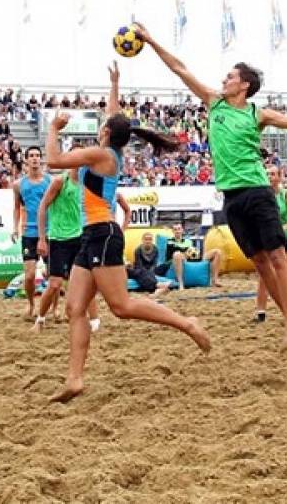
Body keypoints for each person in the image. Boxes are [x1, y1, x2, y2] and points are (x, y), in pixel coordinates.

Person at [142, 23, 287, 354]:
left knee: (279, 258)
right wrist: (151, 40)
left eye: (229, 77)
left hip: (257, 190)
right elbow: (179, 68)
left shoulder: (257, 113)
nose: (223, 80)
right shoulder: (213, 103)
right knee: (259, 262)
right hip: (232, 197)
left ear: (244, 85)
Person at [46, 61, 210, 403]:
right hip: (90, 236)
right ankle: (74, 379)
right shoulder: (111, 148)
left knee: (121, 306)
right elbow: (114, 116)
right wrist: (115, 83)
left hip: (103, 234)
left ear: (105, 132)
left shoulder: (101, 153)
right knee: (75, 308)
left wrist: (53, 129)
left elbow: (53, 162)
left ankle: (188, 323)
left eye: (104, 124)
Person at [33, 166, 100, 332]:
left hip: (80, 237)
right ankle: (40, 319)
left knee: (86, 281)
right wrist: (42, 239)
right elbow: (42, 207)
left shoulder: (87, 182)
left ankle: (94, 322)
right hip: (59, 238)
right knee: (55, 284)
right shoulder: (60, 181)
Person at [255, 164, 287, 323]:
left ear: (280, 177)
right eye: (267, 174)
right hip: (267, 237)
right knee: (264, 275)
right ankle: (260, 312)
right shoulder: (261, 196)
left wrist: (283, 228)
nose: (270, 177)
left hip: (284, 237)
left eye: (273, 174)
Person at [13, 146, 51, 319]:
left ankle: (55, 308)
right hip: (29, 232)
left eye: (37, 155)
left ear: (41, 159)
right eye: (31, 156)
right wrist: (15, 227)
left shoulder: (50, 181)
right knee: (29, 276)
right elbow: (16, 207)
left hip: (50, 231)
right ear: (26, 160)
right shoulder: (19, 184)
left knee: (53, 274)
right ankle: (30, 305)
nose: (35, 158)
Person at [154, 223, 225, 296]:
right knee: (177, 254)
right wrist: (186, 253)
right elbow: (171, 257)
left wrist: (194, 253)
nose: (177, 231)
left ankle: (215, 280)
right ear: (173, 231)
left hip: (192, 259)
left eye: (179, 229)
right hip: (178, 259)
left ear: (182, 230)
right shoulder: (170, 242)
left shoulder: (188, 241)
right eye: (175, 230)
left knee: (217, 252)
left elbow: (193, 251)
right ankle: (181, 284)